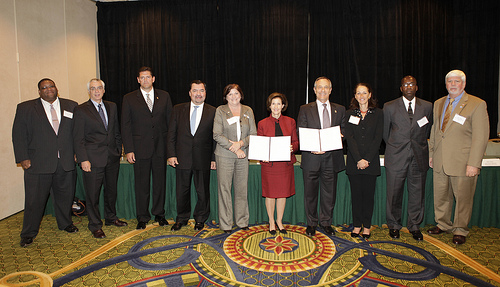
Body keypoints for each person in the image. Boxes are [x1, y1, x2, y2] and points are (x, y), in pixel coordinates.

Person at [12, 78, 79, 248]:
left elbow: (78, 133)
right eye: (44, 88)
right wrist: (22, 158)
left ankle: (65, 223)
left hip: (65, 162)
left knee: (65, 197)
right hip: (38, 163)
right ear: (39, 91)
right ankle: (28, 233)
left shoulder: (72, 106)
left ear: (57, 88)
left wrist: (78, 153)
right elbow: (18, 135)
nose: (49, 89)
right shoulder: (26, 108)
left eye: (51, 86)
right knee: (34, 201)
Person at [428, 70, 489, 245]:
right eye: (450, 81)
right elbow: (435, 131)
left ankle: (460, 229)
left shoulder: (476, 104)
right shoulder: (439, 103)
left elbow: (481, 136)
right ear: (446, 84)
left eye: (457, 81)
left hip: (463, 162)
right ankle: (443, 224)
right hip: (440, 160)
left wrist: (474, 163)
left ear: (463, 84)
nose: (453, 84)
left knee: (463, 197)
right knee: (441, 196)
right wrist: (432, 154)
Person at [73, 78, 127, 239]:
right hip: (92, 160)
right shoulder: (81, 110)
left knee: (111, 192)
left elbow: (115, 131)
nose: (96, 91)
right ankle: (95, 225)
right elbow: (78, 138)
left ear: (104, 90)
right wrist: (83, 159)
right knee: (92, 195)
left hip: (112, 158)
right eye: (93, 88)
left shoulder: (112, 106)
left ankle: (111, 218)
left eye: (99, 88)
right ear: (88, 91)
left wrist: (118, 150)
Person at [121, 66, 173, 229]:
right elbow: (126, 125)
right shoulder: (129, 98)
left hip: (160, 148)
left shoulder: (164, 96)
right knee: (141, 185)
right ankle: (142, 217)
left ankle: (159, 214)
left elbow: (170, 123)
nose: (145, 80)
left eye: (148, 77)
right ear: (138, 80)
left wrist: (170, 150)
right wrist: (129, 149)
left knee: (159, 184)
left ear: (153, 79)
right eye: (142, 78)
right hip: (139, 149)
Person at [383, 75, 433, 241]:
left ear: (416, 87)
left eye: (412, 84)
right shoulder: (389, 107)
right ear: (401, 88)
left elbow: (426, 131)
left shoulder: (427, 106)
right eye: (405, 84)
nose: (409, 87)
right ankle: (394, 225)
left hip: (419, 157)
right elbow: (385, 133)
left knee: (417, 194)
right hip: (396, 156)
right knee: (394, 193)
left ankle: (414, 225)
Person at [297, 76, 346, 237]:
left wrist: (340, 135)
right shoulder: (305, 108)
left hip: (331, 158)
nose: (323, 90)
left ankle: (326, 222)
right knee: (310, 194)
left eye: (326, 87)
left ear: (330, 90)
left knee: (329, 194)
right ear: (314, 90)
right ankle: (311, 223)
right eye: (320, 87)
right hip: (311, 158)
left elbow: (344, 130)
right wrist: (312, 147)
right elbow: (301, 131)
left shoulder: (340, 109)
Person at [167, 80, 216, 231]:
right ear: (190, 93)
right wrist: (171, 154)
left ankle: (200, 218)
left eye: (201, 90)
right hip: (182, 157)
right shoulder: (178, 109)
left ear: (205, 93)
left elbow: (215, 137)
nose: (198, 94)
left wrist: (213, 158)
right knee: (182, 191)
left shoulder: (213, 111)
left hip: (203, 158)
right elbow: (171, 134)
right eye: (195, 91)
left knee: (202, 191)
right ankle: (181, 218)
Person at [213, 84, 257, 233]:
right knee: (224, 189)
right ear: (225, 97)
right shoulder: (220, 110)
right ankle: (225, 224)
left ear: (241, 94)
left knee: (241, 189)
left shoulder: (248, 110)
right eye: (230, 94)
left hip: (243, 155)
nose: (233, 97)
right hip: (224, 155)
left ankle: (242, 221)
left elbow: (253, 134)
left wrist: (240, 144)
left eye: (236, 93)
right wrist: (234, 148)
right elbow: (217, 134)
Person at [344, 83, 383, 239]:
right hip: (354, 162)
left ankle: (367, 226)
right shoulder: (349, 114)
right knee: (356, 196)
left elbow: (378, 138)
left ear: (369, 94)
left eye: (364, 93)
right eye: (358, 93)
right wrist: (358, 159)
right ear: (355, 96)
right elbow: (350, 138)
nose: (361, 96)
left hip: (371, 162)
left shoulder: (379, 114)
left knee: (368, 196)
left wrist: (366, 159)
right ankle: (357, 225)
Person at [257, 93, 299, 235]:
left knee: (282, 194)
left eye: (278, 103)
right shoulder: (262, 123)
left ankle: (279, 221)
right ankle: (271, 222)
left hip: (285, 165)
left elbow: (296, 141)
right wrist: (264, 155)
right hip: (270, 166)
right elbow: (261, 145)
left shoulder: (290, 121)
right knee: (270, 194)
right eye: (273, 103)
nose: (276, 106)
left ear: (283, 106)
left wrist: (293, 147)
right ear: (269, 106)